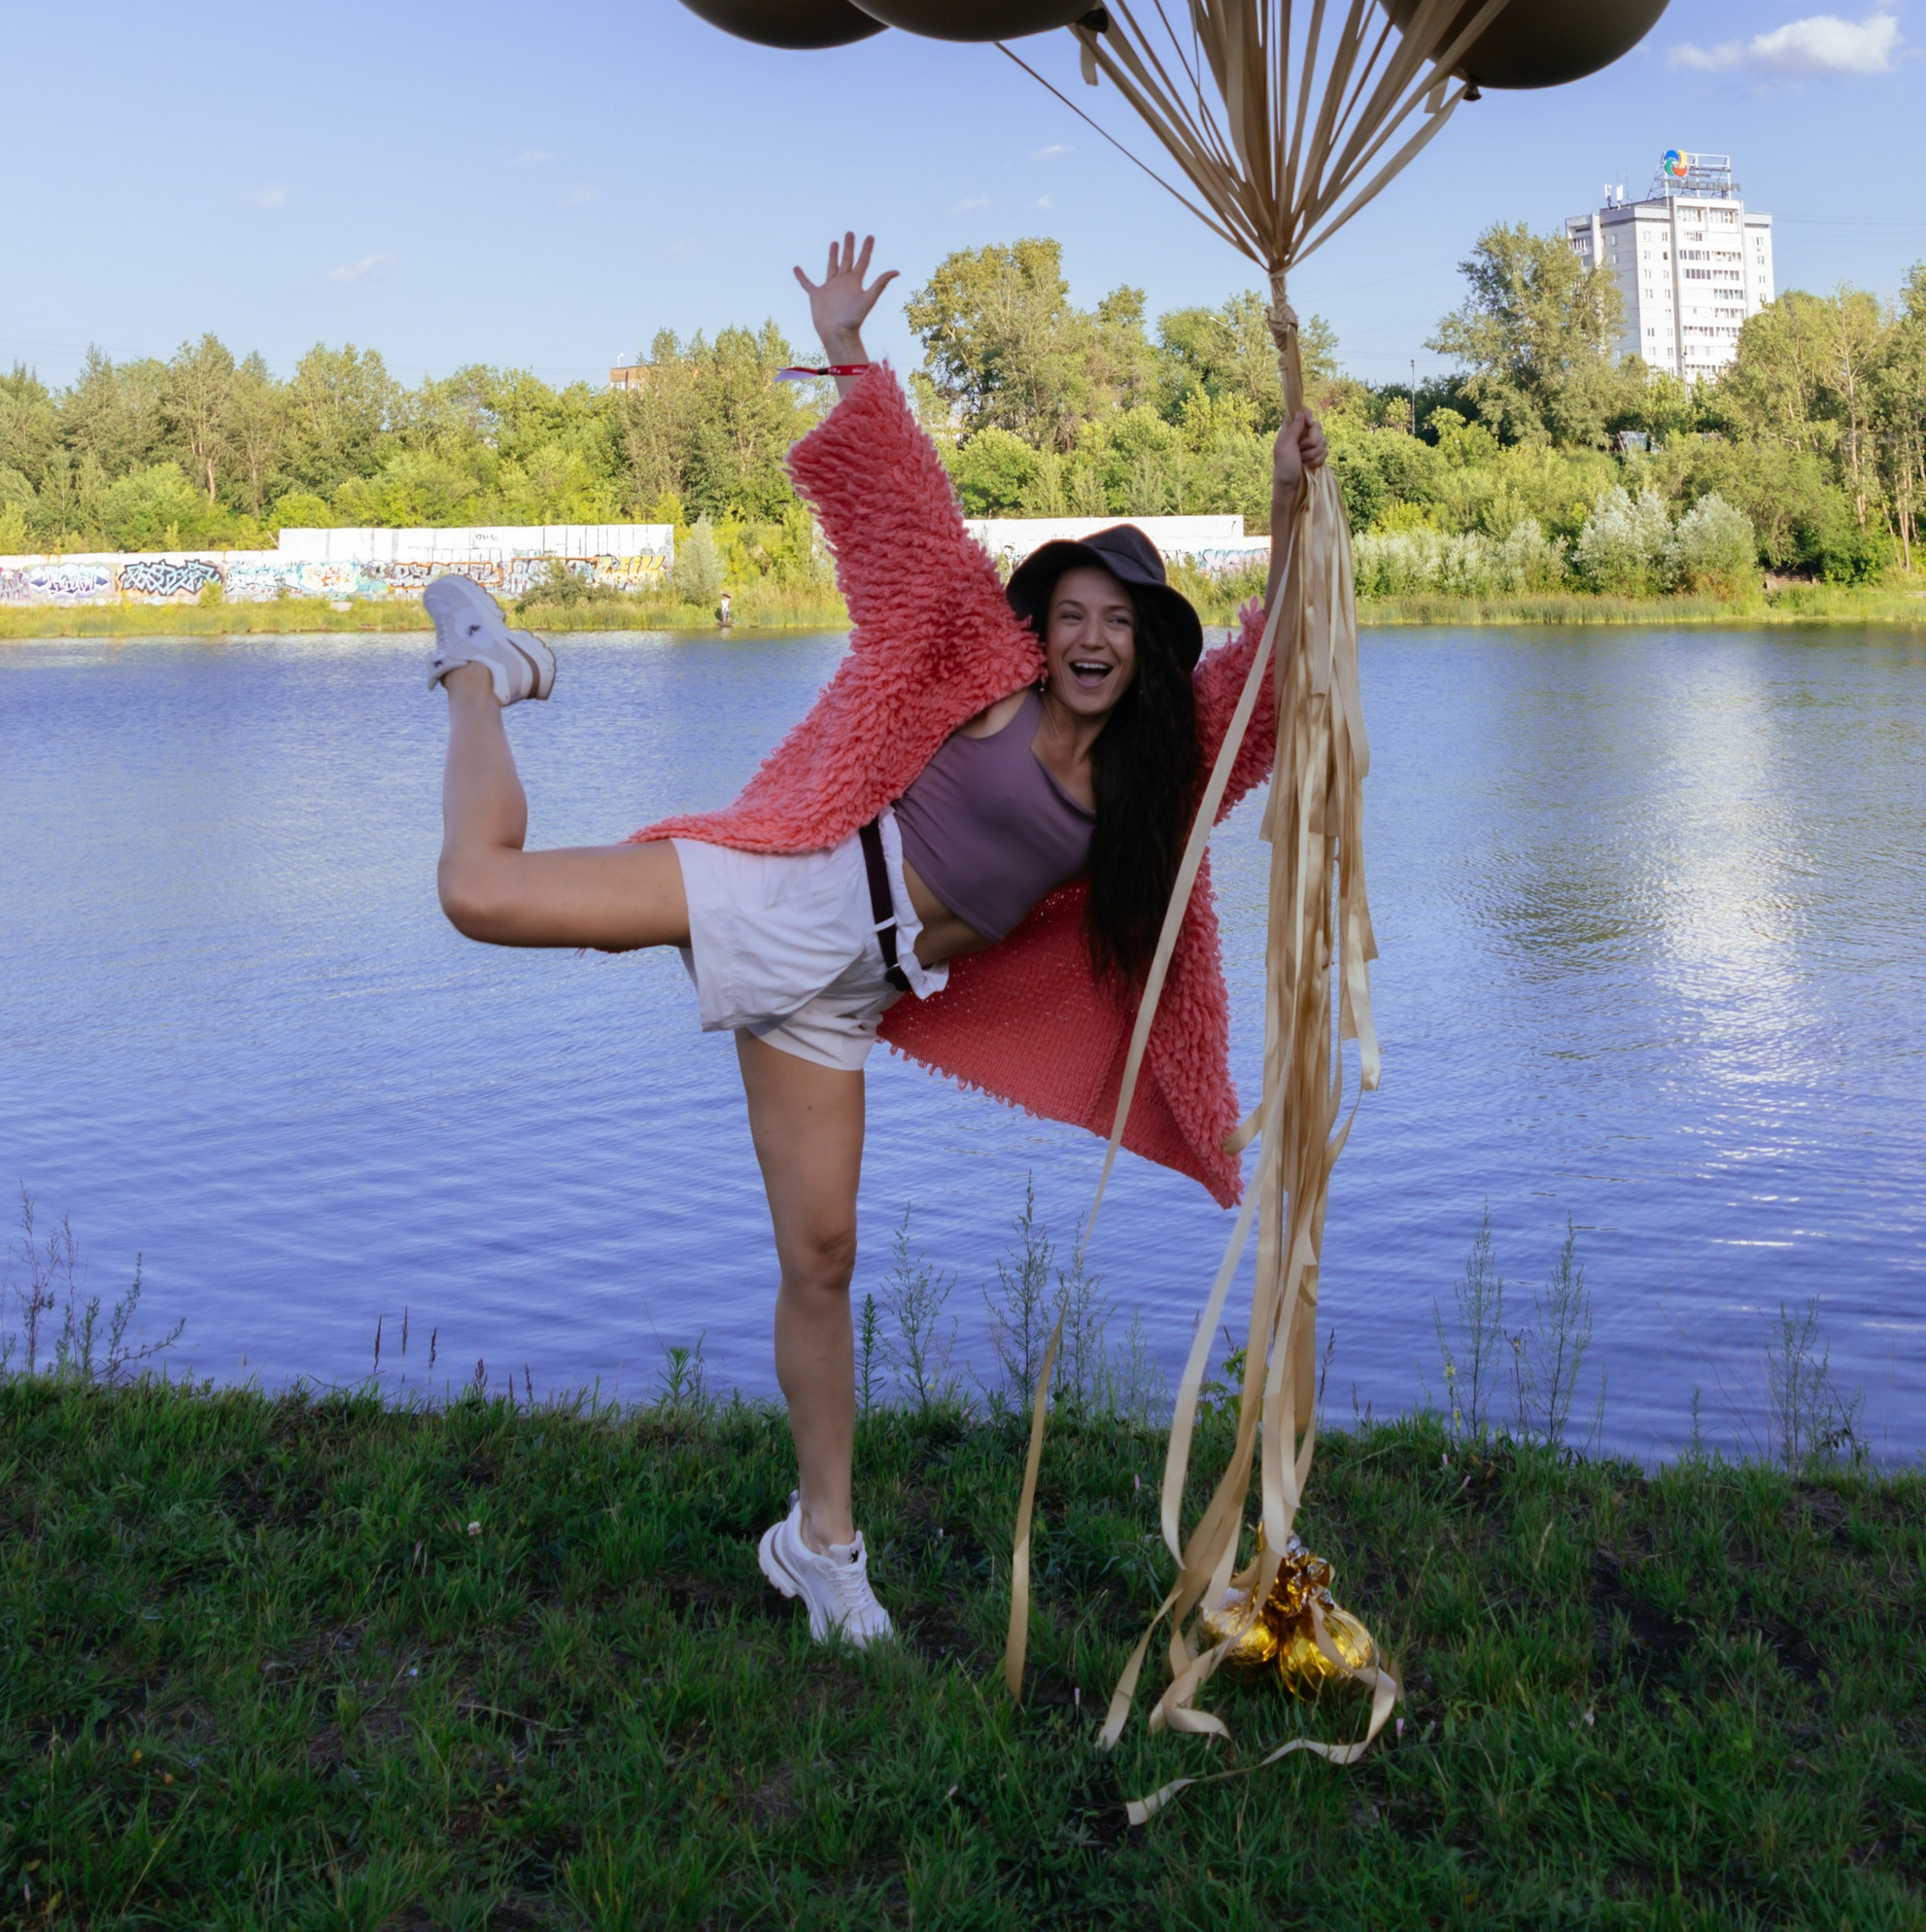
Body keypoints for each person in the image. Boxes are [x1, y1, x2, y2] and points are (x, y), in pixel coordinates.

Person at [425, 228, 1325, 1652]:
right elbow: (910, 515)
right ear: (1043, 621)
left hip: (850, 988)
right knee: (480, 892)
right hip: (785, 886)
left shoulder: (1167, 769)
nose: (1091, 638)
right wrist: (850, 355)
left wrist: (1288, 508)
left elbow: (1278, 668)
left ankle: (820, 1544)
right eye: (1073, 611)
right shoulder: (976, 662)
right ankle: (483, 661)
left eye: (1121, 622)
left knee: (825, 1256)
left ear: (1152, 647)